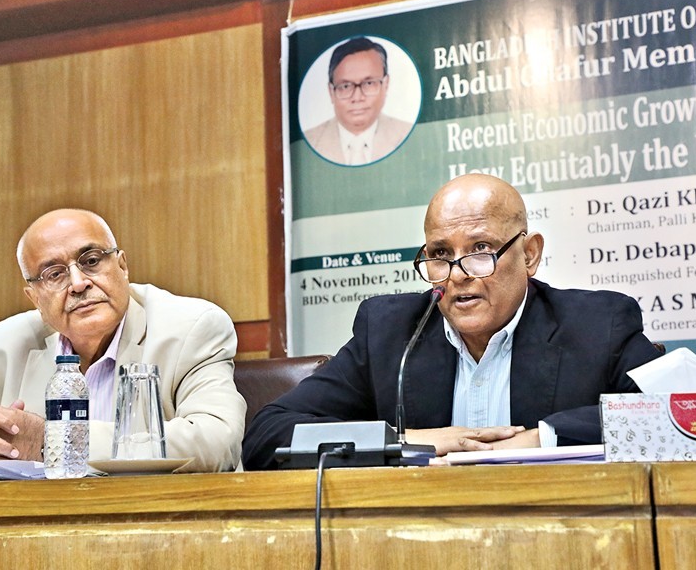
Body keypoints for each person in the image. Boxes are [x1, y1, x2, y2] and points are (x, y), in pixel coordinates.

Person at [242, 174, 663, 470]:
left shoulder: (598, 323)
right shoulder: (390, 332)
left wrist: (541, 439)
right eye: (440, 254)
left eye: (481, 248)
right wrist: (406, 443)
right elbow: (267, 436)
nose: (459, 273)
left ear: (529, 254)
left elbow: (668, 418)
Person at [0, 209, 246, 474]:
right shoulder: (5, 347)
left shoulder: (190, 327)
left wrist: (53, 442)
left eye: (91, 261)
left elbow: (216, 443)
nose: (79, 283)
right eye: (55, 274)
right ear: (34, 297)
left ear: (122, 266)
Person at [304, 37, 412, 165]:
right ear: (331, 91)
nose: (357, 97)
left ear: (386, 84)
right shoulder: (309, 142)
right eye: (345, 86)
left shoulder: (406, 134)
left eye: (369, 83)